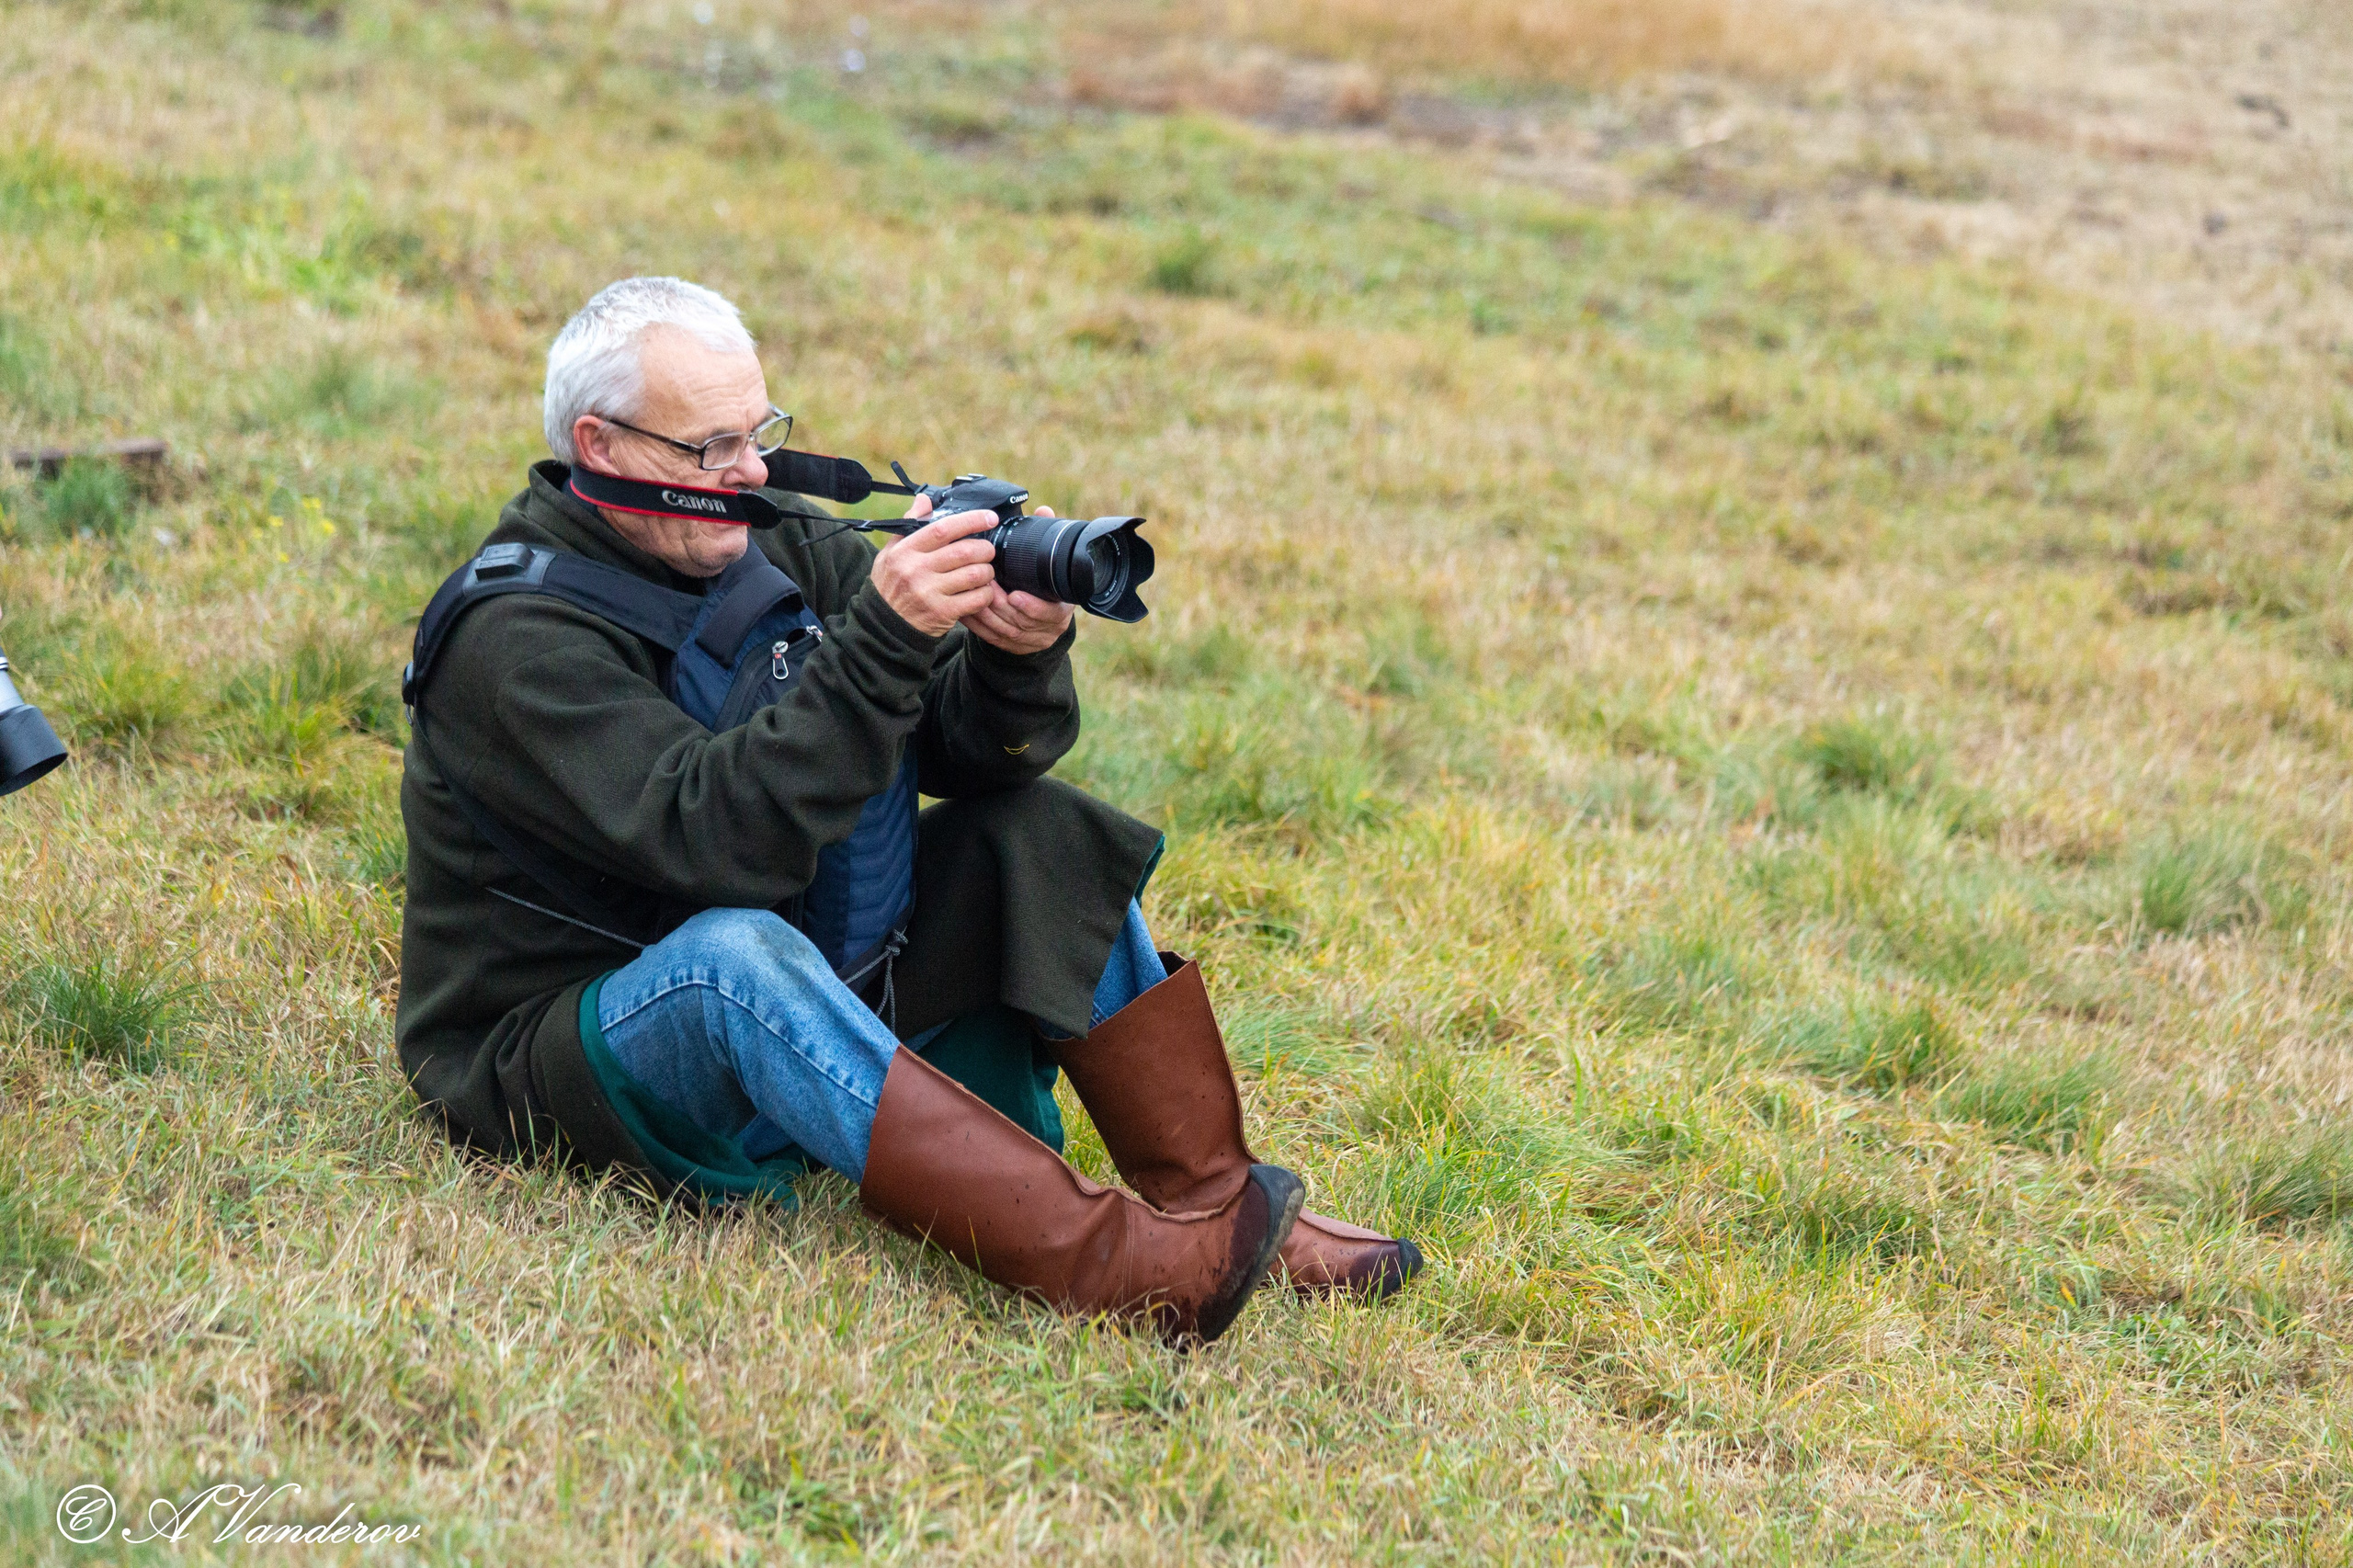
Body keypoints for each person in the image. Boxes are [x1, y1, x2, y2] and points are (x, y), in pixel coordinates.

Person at [394, 276, 1420, 1346]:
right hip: (565, 1050)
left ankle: (1216, 1199)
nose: (747, 471)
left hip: (807, 966)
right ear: (601, 446)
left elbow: (973, 759)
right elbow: (711, 841)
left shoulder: (771, 543)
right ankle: (1115, 1261)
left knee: (1034, 833)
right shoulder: (513, 637)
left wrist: (1012, 657)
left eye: (758, 432)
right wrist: (883, 635)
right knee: (728, 955)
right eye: (708, 449)